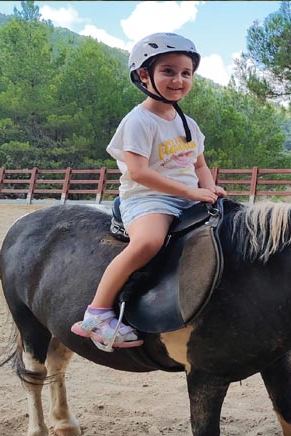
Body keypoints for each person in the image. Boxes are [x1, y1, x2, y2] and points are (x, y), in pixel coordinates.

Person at [71, 32, 226, 352]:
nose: (179, 79)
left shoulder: (190, 125)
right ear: (145, 76)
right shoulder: (139, 121)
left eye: (186, 73)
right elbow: (140, 172)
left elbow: (200, 166)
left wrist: (209, 189)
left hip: (188, 194)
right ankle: (97, 314)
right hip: (146, 196)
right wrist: (191, 192)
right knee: (148, 242)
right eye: (168, 71)